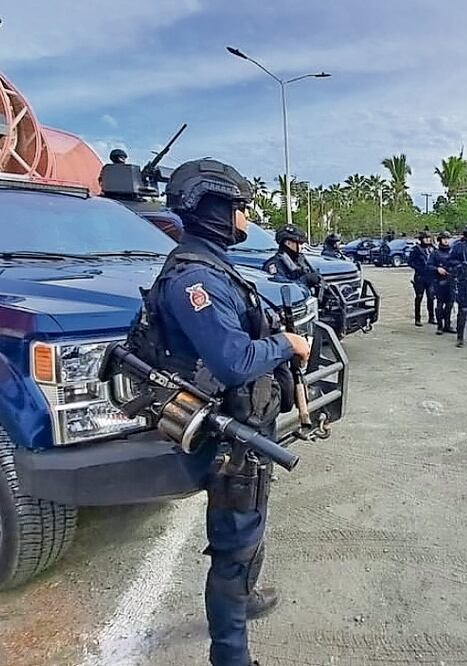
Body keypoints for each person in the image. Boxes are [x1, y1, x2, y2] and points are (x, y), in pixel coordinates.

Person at [146, 158, 311, 665]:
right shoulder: (195, 277)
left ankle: (247, 596)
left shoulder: (213, 264)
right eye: (239, 208)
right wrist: (285, 343)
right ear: (213, 208)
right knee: (233, 550)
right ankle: (231, 656)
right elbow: (234, 359)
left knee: (250, 530)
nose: (245, 218)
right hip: (227, 440)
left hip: (246, 429)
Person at [263, 226, 323, 291]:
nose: (303, 247)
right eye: (300, 243)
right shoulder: (275, 265)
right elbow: (282, 289)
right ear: (288, 243)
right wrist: (305, 279)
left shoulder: (299, 259)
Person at [408, 231, 437, 327]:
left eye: (429, 238)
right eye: (425, 238)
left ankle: (431, 317)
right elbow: (410, 262)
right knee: (419, 297)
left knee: (431, 297)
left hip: (431, 276)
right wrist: (418, 267)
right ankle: (417, 318)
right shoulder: (416, 249)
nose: (428, 240)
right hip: (420, 276)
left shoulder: (433, 249)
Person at [430, 231, 456, 335]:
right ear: (440, 240)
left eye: (448, 238)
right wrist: (437, 269)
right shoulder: (435, 253)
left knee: (450, 304)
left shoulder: (453, 252)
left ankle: (447, 325)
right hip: (439, 281)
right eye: (444, 238)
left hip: (451, 281)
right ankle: (440, 326)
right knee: (440, 304)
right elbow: (429, 266)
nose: (446, 240)